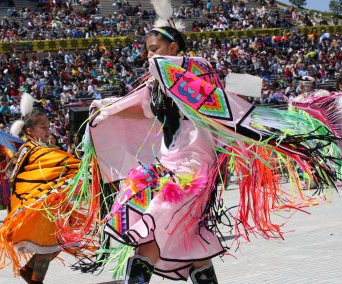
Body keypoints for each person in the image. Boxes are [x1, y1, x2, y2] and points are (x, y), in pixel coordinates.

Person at [88, 20, 341, 284]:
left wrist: (236, 85)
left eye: (155, 49)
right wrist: (105, 108)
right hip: (168, 165)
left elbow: (239, 86)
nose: (149, 57)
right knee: (188, 237)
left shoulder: (199, 71)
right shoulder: (159, 86)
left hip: (194, 169)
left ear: (174, 48)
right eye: (148, 52)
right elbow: (139, 107)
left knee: (153, 228)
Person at [0, 94, 100, 283]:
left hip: (44, 205)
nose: (47, 131)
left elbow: (55, 166)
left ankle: (29, 271)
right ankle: (34, 278)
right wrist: (84, 166)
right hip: (38, 207)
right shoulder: (33, 149)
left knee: (56, 243)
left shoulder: (37, 147)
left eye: (48, 127)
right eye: (43, 127)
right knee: (49, 244)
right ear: (30, 130)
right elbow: (58, 163)